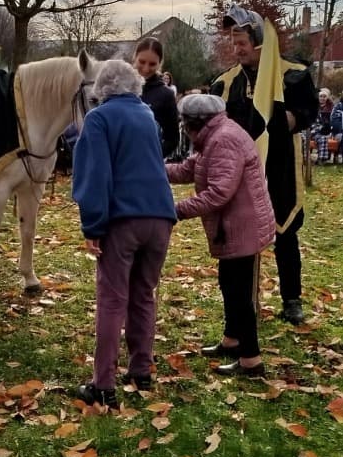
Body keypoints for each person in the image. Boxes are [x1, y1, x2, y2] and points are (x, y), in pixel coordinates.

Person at [71, 59, 176, 409]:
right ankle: (141, 370)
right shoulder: (147, 115)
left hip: (123, 219)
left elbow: (94, 175)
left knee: (112, 300)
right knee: (144, 294)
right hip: (160, 216)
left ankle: (103, 385)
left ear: (101, 88)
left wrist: (92, 225)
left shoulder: (99, 119)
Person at [210, 5, 317, 325]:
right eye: (234, 42)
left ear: (259, 41)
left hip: (280, 164)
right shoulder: (225, 83)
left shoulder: (293, 74)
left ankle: (292, 299)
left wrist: (290, 118)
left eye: (242, 42)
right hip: (240, 169)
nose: (236, 49)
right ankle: (243, 302)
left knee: (285, 231)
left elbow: (310, 110)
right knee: (239, 233)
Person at [167, 95, 275, 377]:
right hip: (233, 227)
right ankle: (232, 339)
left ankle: (251, 360)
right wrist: (153, 170)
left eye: (184, 123)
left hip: (242, 226)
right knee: (228, 284)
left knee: (240, 293)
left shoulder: (222, 140)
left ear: (194, 123)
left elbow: (218, 192)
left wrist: (173, 210)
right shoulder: (213, 136)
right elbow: (189, 169)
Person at [132, 37, 180, 157]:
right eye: (142, 62)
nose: (146, 69)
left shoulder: (166, 95)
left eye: (152, 64)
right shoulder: (120, 89)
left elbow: (172, 139)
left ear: (160, 63)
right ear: (134, 58)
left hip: (147, 168)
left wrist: (152, 158)